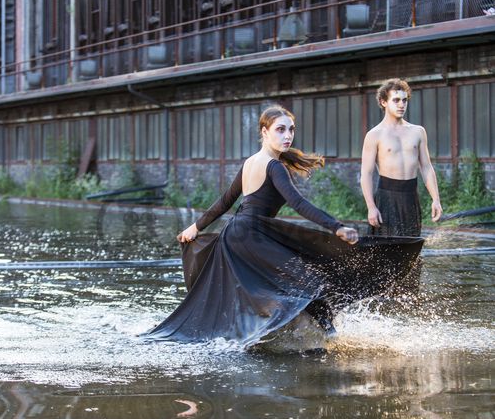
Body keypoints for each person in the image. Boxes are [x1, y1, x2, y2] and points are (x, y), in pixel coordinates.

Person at [143, 105, 423, 346]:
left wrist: (196, 227)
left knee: (281, 285)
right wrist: (336, 227)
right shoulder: (273, 167)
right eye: (280, 129)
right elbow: (298, 204)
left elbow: (224, 204)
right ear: (264, 131)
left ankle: (294, 334)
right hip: (251, 236)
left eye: (291, 129)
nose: (288, 135)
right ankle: (326, 336)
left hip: (237, 234)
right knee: (309, 280)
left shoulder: (252, 162)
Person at [360, 78, 442, 236]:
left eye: (404, 100)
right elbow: (366, 174)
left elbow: (426, 167)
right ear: (384, 102)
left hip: (411, 196)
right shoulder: (374, 135)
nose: (401, 104)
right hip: (386, 197)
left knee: (411, 249)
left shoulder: (418, 131)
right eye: (396, 100)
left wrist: (436, 199)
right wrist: (371, 207)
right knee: (385, 251)